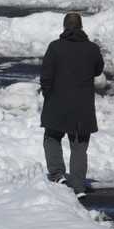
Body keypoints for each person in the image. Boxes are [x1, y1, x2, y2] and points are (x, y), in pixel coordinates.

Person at [39, 11, 104, 193]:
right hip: (82, 107)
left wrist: (48, 95)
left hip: (57, 104)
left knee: (52, 137)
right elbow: (98, 69)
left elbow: (46, 76)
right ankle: (78, 185)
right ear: (81, 27)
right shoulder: (92, 49)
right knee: (79, 146)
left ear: (64, 27)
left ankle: (57, 174)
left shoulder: (55, 47)